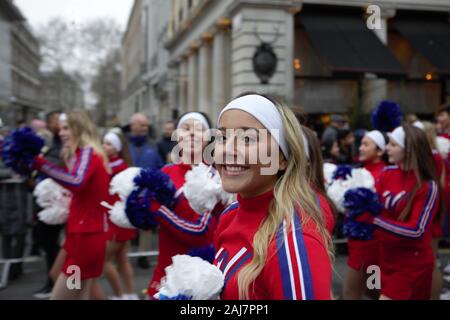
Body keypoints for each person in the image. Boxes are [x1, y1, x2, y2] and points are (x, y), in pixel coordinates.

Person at [213, 93, 332, 299]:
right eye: (222, 137)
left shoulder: (294, 240)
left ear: (282, 159)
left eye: (247, 139)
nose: (227, 150)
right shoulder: (230, 215)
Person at [137, 111, 224, 298]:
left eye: (199, 129)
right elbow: (148, 223)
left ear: (208, 138)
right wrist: (137, 209)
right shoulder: (165, 172)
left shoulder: (215, 177)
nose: (192, 133)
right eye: (186, 128)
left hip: (198, 281)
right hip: (164, 273)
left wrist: (158, 210)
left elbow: (201, 233)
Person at [32, 111, 110, 300]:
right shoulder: (80, 154)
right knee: (76, 292)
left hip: (87, 236)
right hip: (79, 234)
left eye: (66, 128)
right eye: (60, 128)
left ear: (79, 128)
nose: (61, 132)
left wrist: (40, 164)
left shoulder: (88, 153)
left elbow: (76, 181)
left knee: (64, 296)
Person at [355, 125, 440, 300]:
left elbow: (417, 230)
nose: (387, 148)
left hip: (410, 265)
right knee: (365, 293)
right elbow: (372, 206)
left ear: (408, 150)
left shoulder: (427, 185)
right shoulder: (388, 173)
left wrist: (374, 220)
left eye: (393, 145)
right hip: (382, 257)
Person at [343, 130, 387, 300]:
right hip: (356, 243)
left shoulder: (384, 174)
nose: (360, 148)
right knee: (372, 290)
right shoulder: (358, 172)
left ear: (380, 151)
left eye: (366, 144)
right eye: (361, 143)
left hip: (370, 245)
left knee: (351, 293)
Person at [101, 131, 138, 300]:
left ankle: (119, 295)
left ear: (117, 148)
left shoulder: (116, 167)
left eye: (108, 144)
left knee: (104, 260)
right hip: (118, 219)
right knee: (122, 260)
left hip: (116, 220)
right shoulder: (114, 165)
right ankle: (129, 294)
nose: (104, 146)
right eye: (103, 143)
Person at [32, 111, 65, 299]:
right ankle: (53, 282)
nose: (59, 126)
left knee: (69, 250)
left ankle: (61, 284)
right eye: (54, 121)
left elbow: (69, 175)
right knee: (48, 244)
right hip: (48, 203)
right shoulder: (47, 144)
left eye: (62, 123)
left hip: (63, 203)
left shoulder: (67, 145)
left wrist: (42, 165)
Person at [127, 113, 163, 270]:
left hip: (147, 192)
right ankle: (126, 256)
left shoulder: (153, 145)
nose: (144, 129)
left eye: (146, 126)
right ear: (132, 126)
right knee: (126, 224)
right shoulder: (124, 144)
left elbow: (160, 165)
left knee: (146, 226)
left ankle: (143, 255)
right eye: (141, 125)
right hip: (126, 190)